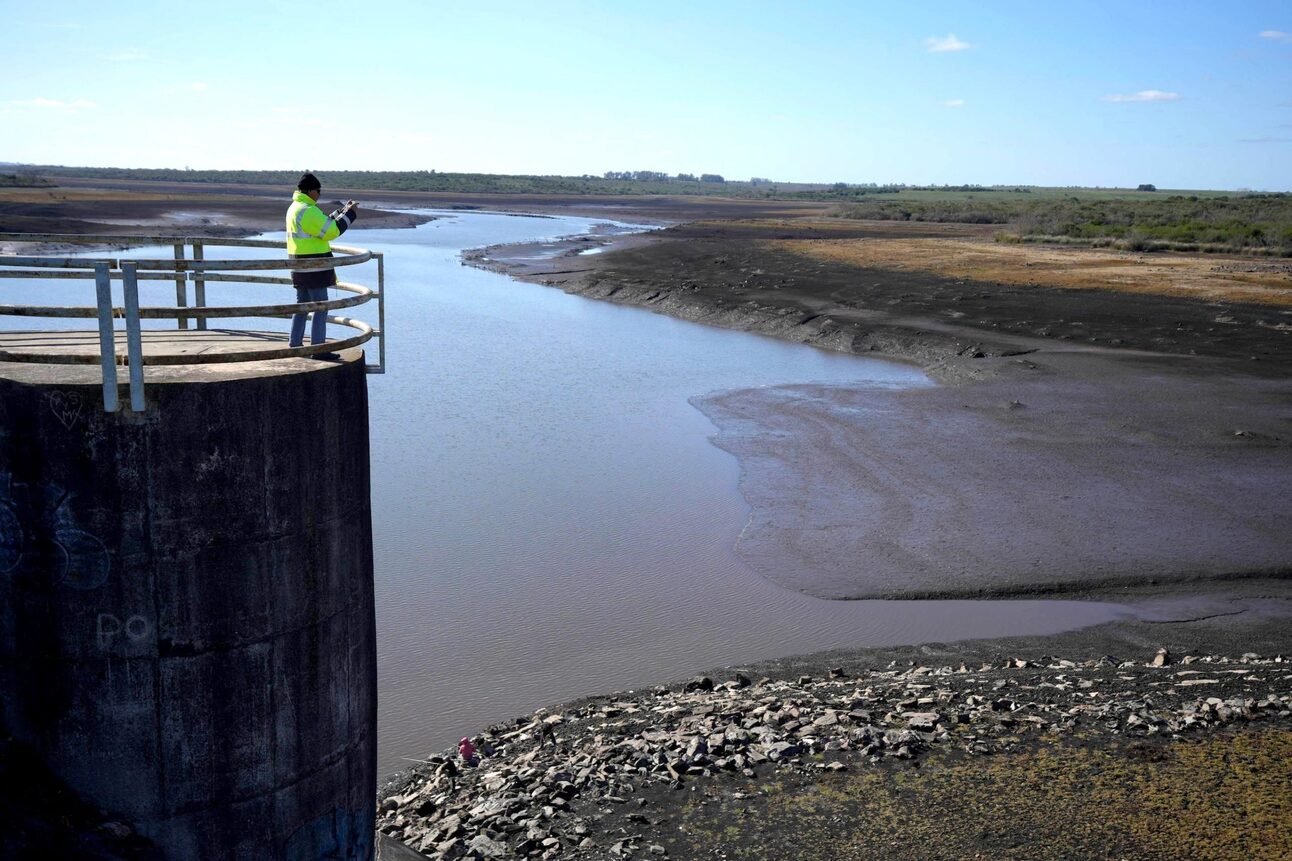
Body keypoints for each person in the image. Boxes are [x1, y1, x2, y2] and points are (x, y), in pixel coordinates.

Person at [284, 172, 358, 357]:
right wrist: (350, 215)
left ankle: (295, 344)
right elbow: (330, 231)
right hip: (315, 266)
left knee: (301, 306)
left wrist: (341, 212)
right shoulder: (308, 210)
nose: (319, 194)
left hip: (298, 265)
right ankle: (318, 349)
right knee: (321, 307)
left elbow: (321, 224)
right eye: (318, 191)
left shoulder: (295, 207)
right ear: (310, 190)